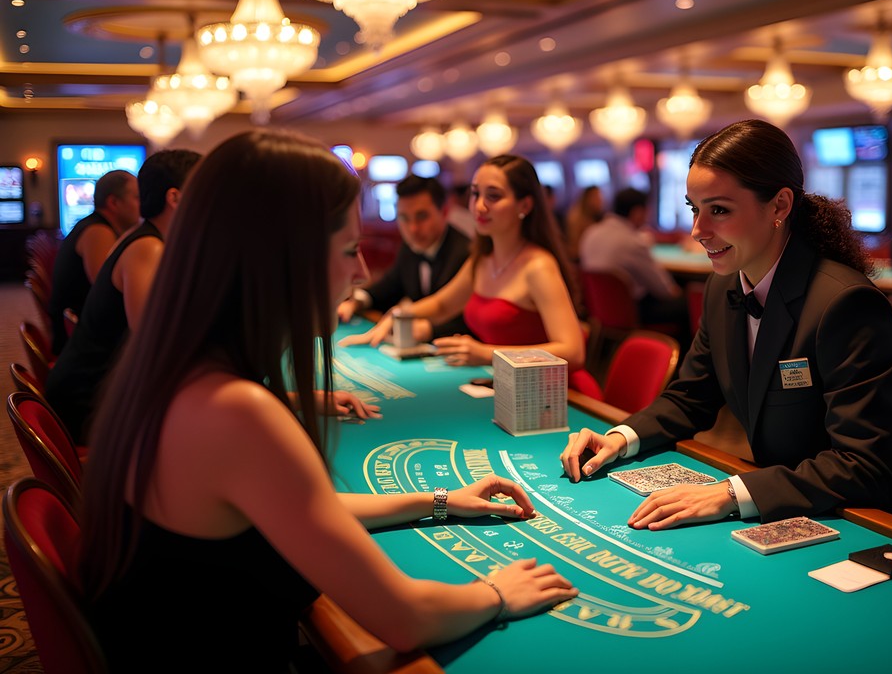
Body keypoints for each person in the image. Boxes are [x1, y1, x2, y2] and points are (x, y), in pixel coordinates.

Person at [77, 130, 577, 671]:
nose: (362, 273)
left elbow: (306, 507)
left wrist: (441, 500)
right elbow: (405, 615)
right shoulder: (234, 411)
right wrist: (497, 593)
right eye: (349, 250)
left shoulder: (172, 368)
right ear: (280, 259)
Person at [560, 119, 892, 530]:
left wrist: (730, 494)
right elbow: (690, 398)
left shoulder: (845, 303)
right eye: (695, 208)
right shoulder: (721, 287)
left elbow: (864, 464)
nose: (698, 231)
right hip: (799, 508)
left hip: (876, 522)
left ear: (779, 205)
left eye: (719, 210)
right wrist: (619, 438)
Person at [341, 154, 601, 398]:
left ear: (525, 205)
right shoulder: (482, 259)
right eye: (475, 193)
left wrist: (486, 354)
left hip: (560, 394)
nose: (479, 206)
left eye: (494, 196)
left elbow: (573, 352)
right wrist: (396, 316)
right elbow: (442, 304)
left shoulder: (538, 266)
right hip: (512, 388)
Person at [45, 149, 200, 443]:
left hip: (99, 387)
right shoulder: (147, 247)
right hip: (88, 398)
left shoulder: (147, 237)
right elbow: (150, 339)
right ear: (175, 198)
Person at [337, 174, 471, 340]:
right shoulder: (410, 248)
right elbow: (390, 286)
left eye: (422, 216)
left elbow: (469, 319)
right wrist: (356, 302)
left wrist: (429, 329)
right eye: (404, 218)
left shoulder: (466, 252)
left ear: (444, 212)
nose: (412, 228)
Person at [47, 170, 140, 354]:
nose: (142, 205)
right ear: (113, 203)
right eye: (136, 197)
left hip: (79, 334)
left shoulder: (94, 226)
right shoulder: (98, 231)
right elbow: (106, 293)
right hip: (78, 347)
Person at [578, 187, 689, 339]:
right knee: (688, 304)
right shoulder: (631, 242)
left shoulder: (590, 233)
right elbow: (665, 289)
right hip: (631, 313)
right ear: (637, 212)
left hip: (599, 314)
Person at [564, 185, 604, 262]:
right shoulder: (576, 217)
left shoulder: (599, 217)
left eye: (600, 197)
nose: (600, 200)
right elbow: (574, 247)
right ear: (587, 198)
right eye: (596, 197)